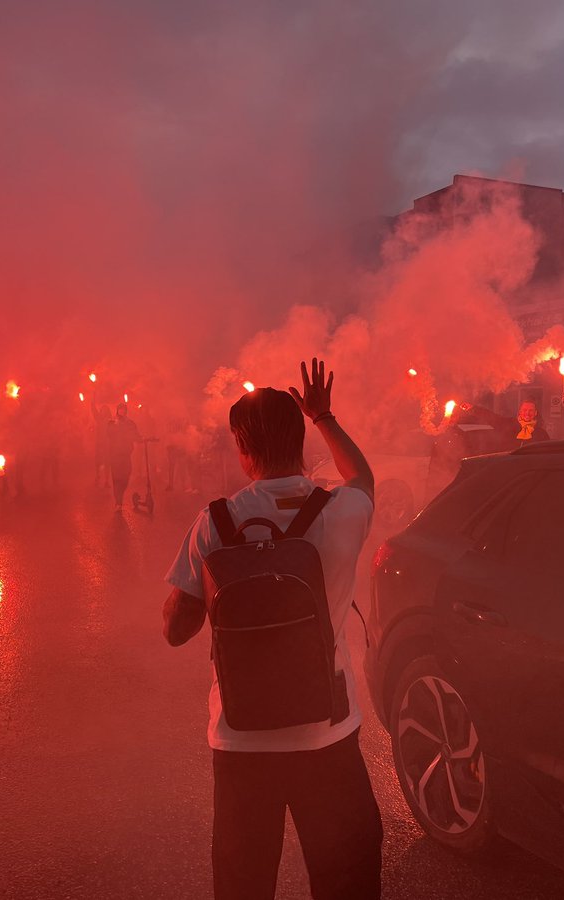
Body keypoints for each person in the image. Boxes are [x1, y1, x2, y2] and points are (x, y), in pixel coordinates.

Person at [162, 358, 382, 900]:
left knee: (243, 884)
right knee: (346, 883)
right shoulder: (340, 510)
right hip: (327, 734)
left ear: (242, 448)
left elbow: (174, 629)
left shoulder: (214, 522)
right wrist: (325, 415)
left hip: (241, 741)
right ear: (303, 440)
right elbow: (364, 477)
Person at [473, 398, 550, 447]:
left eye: (530, 410)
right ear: (520, 412)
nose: (527, 413)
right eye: (525, 410)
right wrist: (473, 409)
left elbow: (546, 454)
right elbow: (492, 417)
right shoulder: (510, 425)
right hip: (510, 466)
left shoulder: (541, 434)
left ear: (535, 413)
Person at [107, 402, 140, 510]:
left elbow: (136, 434)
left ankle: (120, 495)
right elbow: (108, 434)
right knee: (116, 479)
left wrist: (142, 439)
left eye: (123, 409)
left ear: (126, 411)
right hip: (115, 455)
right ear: (117, 410)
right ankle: (118, 502)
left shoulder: (130, 423)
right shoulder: (112, 422)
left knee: (126, 477)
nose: (122, 411)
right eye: (120, 409)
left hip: (126, 454)